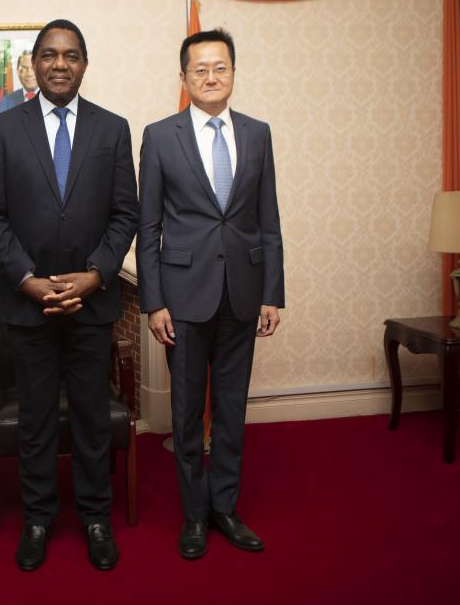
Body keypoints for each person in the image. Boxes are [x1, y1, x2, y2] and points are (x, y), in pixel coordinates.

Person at [0, 19, 139, 572]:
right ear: (35, 64)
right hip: (28, 305)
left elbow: (125, 214)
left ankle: (96, 518)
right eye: (49, 54)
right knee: (36, 419)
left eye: (71, 55)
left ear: (85, 64)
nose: (60, 64)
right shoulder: (3, 129)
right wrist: (26, 278)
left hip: (93, 304)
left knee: (92, 417)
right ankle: (38, 518)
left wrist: (96, 274)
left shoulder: (113, 129)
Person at [137, 28, 284, 560]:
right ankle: (194, 515)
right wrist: (154, 301)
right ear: (183, 77)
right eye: (199, 69)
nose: (210, 76)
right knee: (184, 414)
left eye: (220, 67)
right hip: (182, 299)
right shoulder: (160, 136)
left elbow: (268, 219)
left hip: (243, 293)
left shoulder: (258, 134)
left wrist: (272, 293)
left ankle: (225, 507)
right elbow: (148, 226)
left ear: (234, 73)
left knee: (231, 409)